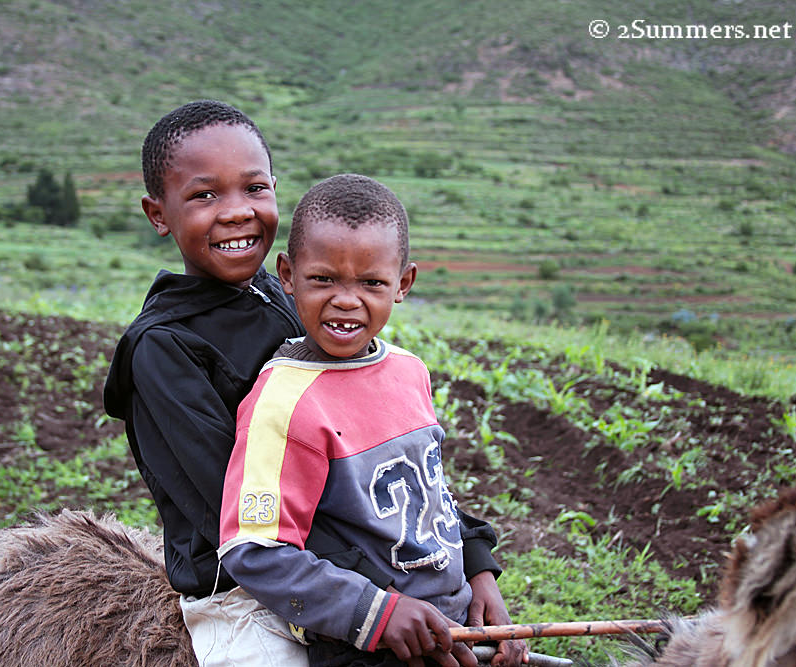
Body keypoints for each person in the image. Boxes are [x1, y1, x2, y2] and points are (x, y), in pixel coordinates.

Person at [104, 101, 514, 666]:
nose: (236, 213)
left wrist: (470, 559)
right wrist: (385, 602)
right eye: (204, 195)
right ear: (158, 212)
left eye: (254, 188)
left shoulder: (291, 301)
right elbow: (244, 517)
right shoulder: (162, 350)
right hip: (254, 586)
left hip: (364, 571)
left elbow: (390, 467)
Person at [218, 174, 528, 667]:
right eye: (323, 279)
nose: (346, 299)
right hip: (364, 645)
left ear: (403, 284)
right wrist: (377, 614)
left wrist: (479, 572)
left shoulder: (408, 371)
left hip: (452, 624)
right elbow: (254, 550)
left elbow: (430, 499)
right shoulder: (281, 402)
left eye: (372, 282)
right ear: (287, 275)